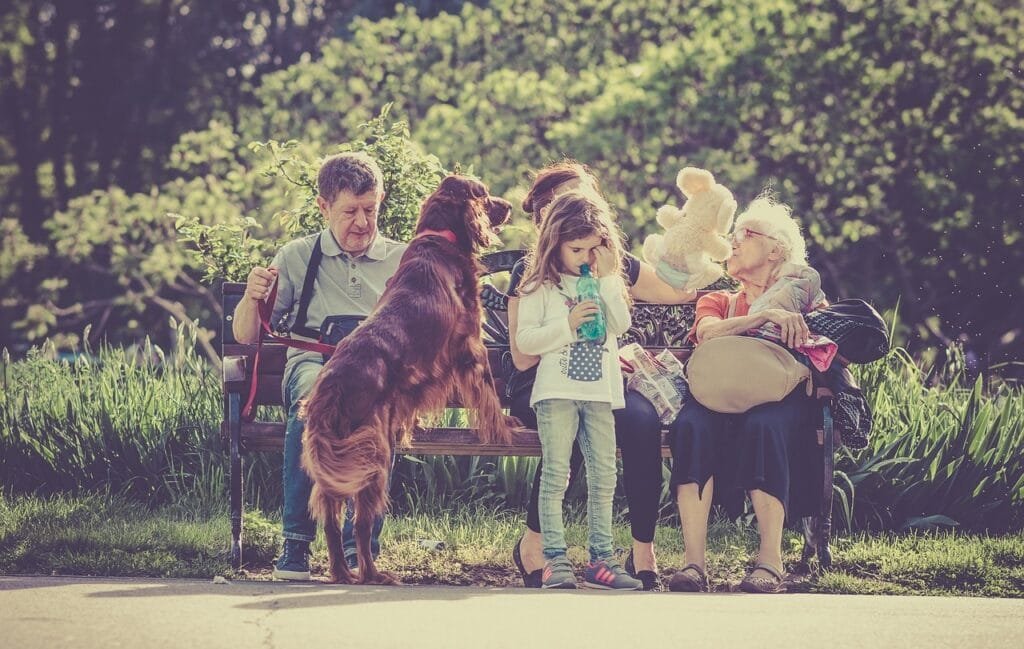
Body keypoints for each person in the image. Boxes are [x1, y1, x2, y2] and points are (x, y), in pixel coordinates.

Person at [509, 162, 695, 590]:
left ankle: (624, 553)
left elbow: (657, 302)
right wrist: (569, 325)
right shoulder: (534, 274)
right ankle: (544, 549)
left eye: (590, 200)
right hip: (547, 383)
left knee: (629, 438)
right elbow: (524, 354)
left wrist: (722, 289)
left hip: (598, 384)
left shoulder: (607, 264)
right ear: (548, 219)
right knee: (564, 451)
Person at [232, 152, 406, 580]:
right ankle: (296, 545)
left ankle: (359, 546)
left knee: (379, 412)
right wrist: (252, 296)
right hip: (315, 361)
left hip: (374, 372)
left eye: (371, 209)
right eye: (350, 212)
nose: (362, 223)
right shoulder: (296, 256)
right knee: (312, 403)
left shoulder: (400, 258)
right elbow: (245, 335)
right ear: (324, 207)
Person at [667, 197, 823, 594]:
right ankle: (693, 565)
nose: (733, 243)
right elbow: (705, 333)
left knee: (765, 425)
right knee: (690, 425)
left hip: (778, 400)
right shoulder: (719, 298)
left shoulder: (805, 297)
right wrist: (763, 317)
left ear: (776, 249)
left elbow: (827, 348)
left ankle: (769, 563)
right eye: (734, 235)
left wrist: (800, 323)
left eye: (746, 235)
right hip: (717, 396)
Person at [515, 189, 641, 590]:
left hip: (602, 394)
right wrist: (567, 325)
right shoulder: (540, 286)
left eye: (593, 248)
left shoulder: (607, 282)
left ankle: (601, 560)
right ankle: (554, 559)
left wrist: (605, 280)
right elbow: (527, 342)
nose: (585, 257)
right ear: (555, 244)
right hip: (556, 394)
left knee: (604, 475)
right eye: (576, 248)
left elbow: (620, 325)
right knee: (557, 475)